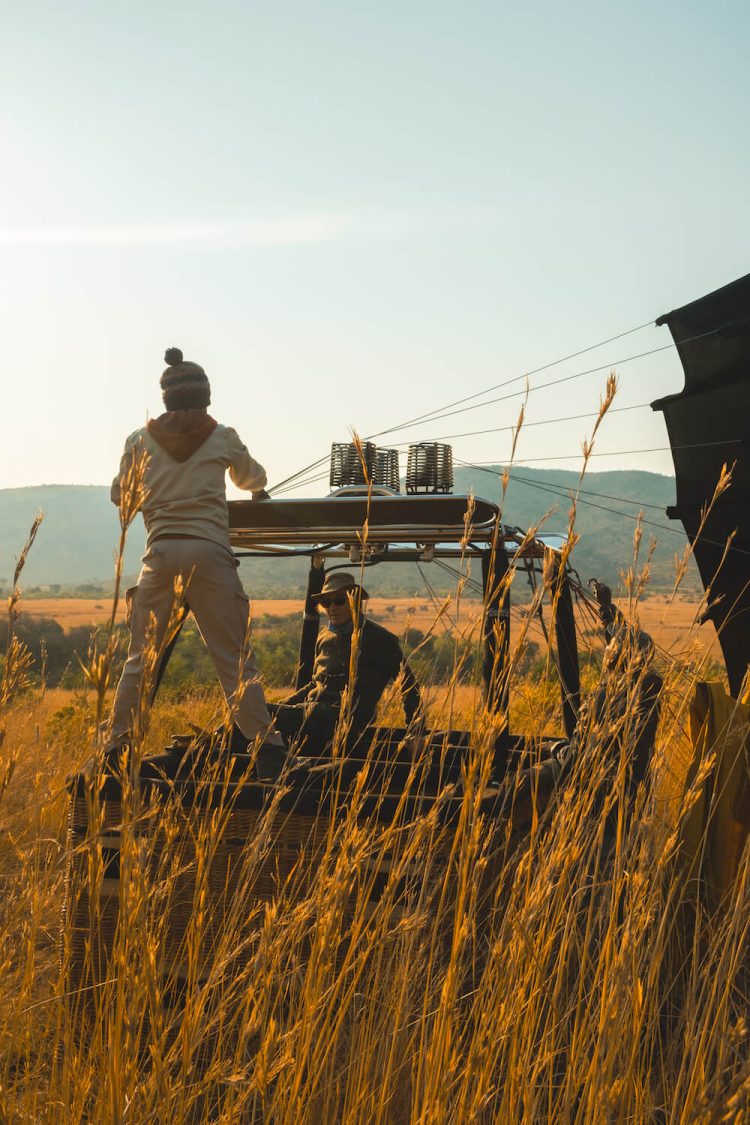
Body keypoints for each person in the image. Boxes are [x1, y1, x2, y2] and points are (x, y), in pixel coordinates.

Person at [108, 347, 284, 765]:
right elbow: (251, 477)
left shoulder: (139, 439)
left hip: (161, 552)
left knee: (141, 657)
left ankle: (116, 748)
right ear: (205, 397)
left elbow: (121, 496)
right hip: (210, 552)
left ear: (166, 397)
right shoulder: (221, 434)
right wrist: (257, 490)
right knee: (233, 658)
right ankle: (269, 752)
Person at [274, 572, 423, 755]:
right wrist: (283, 705)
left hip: (345, 722)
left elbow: (408, 685)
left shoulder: (378, 638)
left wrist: (415, 731)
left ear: (355, 601)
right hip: (312, 716)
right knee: (262, 713)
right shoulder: (323, 637)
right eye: (326, 603)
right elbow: (315, 683)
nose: (332, 608)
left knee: (286, 716)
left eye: (339, 601)